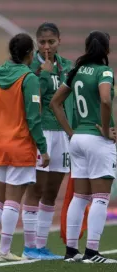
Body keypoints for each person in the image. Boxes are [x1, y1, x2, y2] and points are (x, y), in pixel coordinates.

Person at [0, 33, 49, 262]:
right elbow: (33, 118)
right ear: (29, 54)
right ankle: (4, 250)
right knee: (13, 201)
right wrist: (43, 148)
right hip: (18, 146)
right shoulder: (29, 79)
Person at [50, 30, 117, 264]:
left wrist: (71, 133)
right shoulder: (104, 71)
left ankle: (71, 251)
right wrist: (106, 129)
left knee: (80, 196)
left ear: (87, 48)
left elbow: (54, 103)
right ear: (106, 50)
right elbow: (106, 99)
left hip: (77, 139)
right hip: (97, 140)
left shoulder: (75, 71)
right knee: (100, 197)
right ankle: (92, 252)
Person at [21, 22, 73, 260]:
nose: (47, 47)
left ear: (59, 41)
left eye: (51, 42)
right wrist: (46, 72)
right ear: (36, 43)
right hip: (41, 132)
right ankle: (29, 246)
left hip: (62, 134)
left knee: (52, 191)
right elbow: (34, 99)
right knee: (36, 188)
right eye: (42, 42)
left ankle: (41, 246)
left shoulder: (68, 67)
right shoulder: (31, 67)